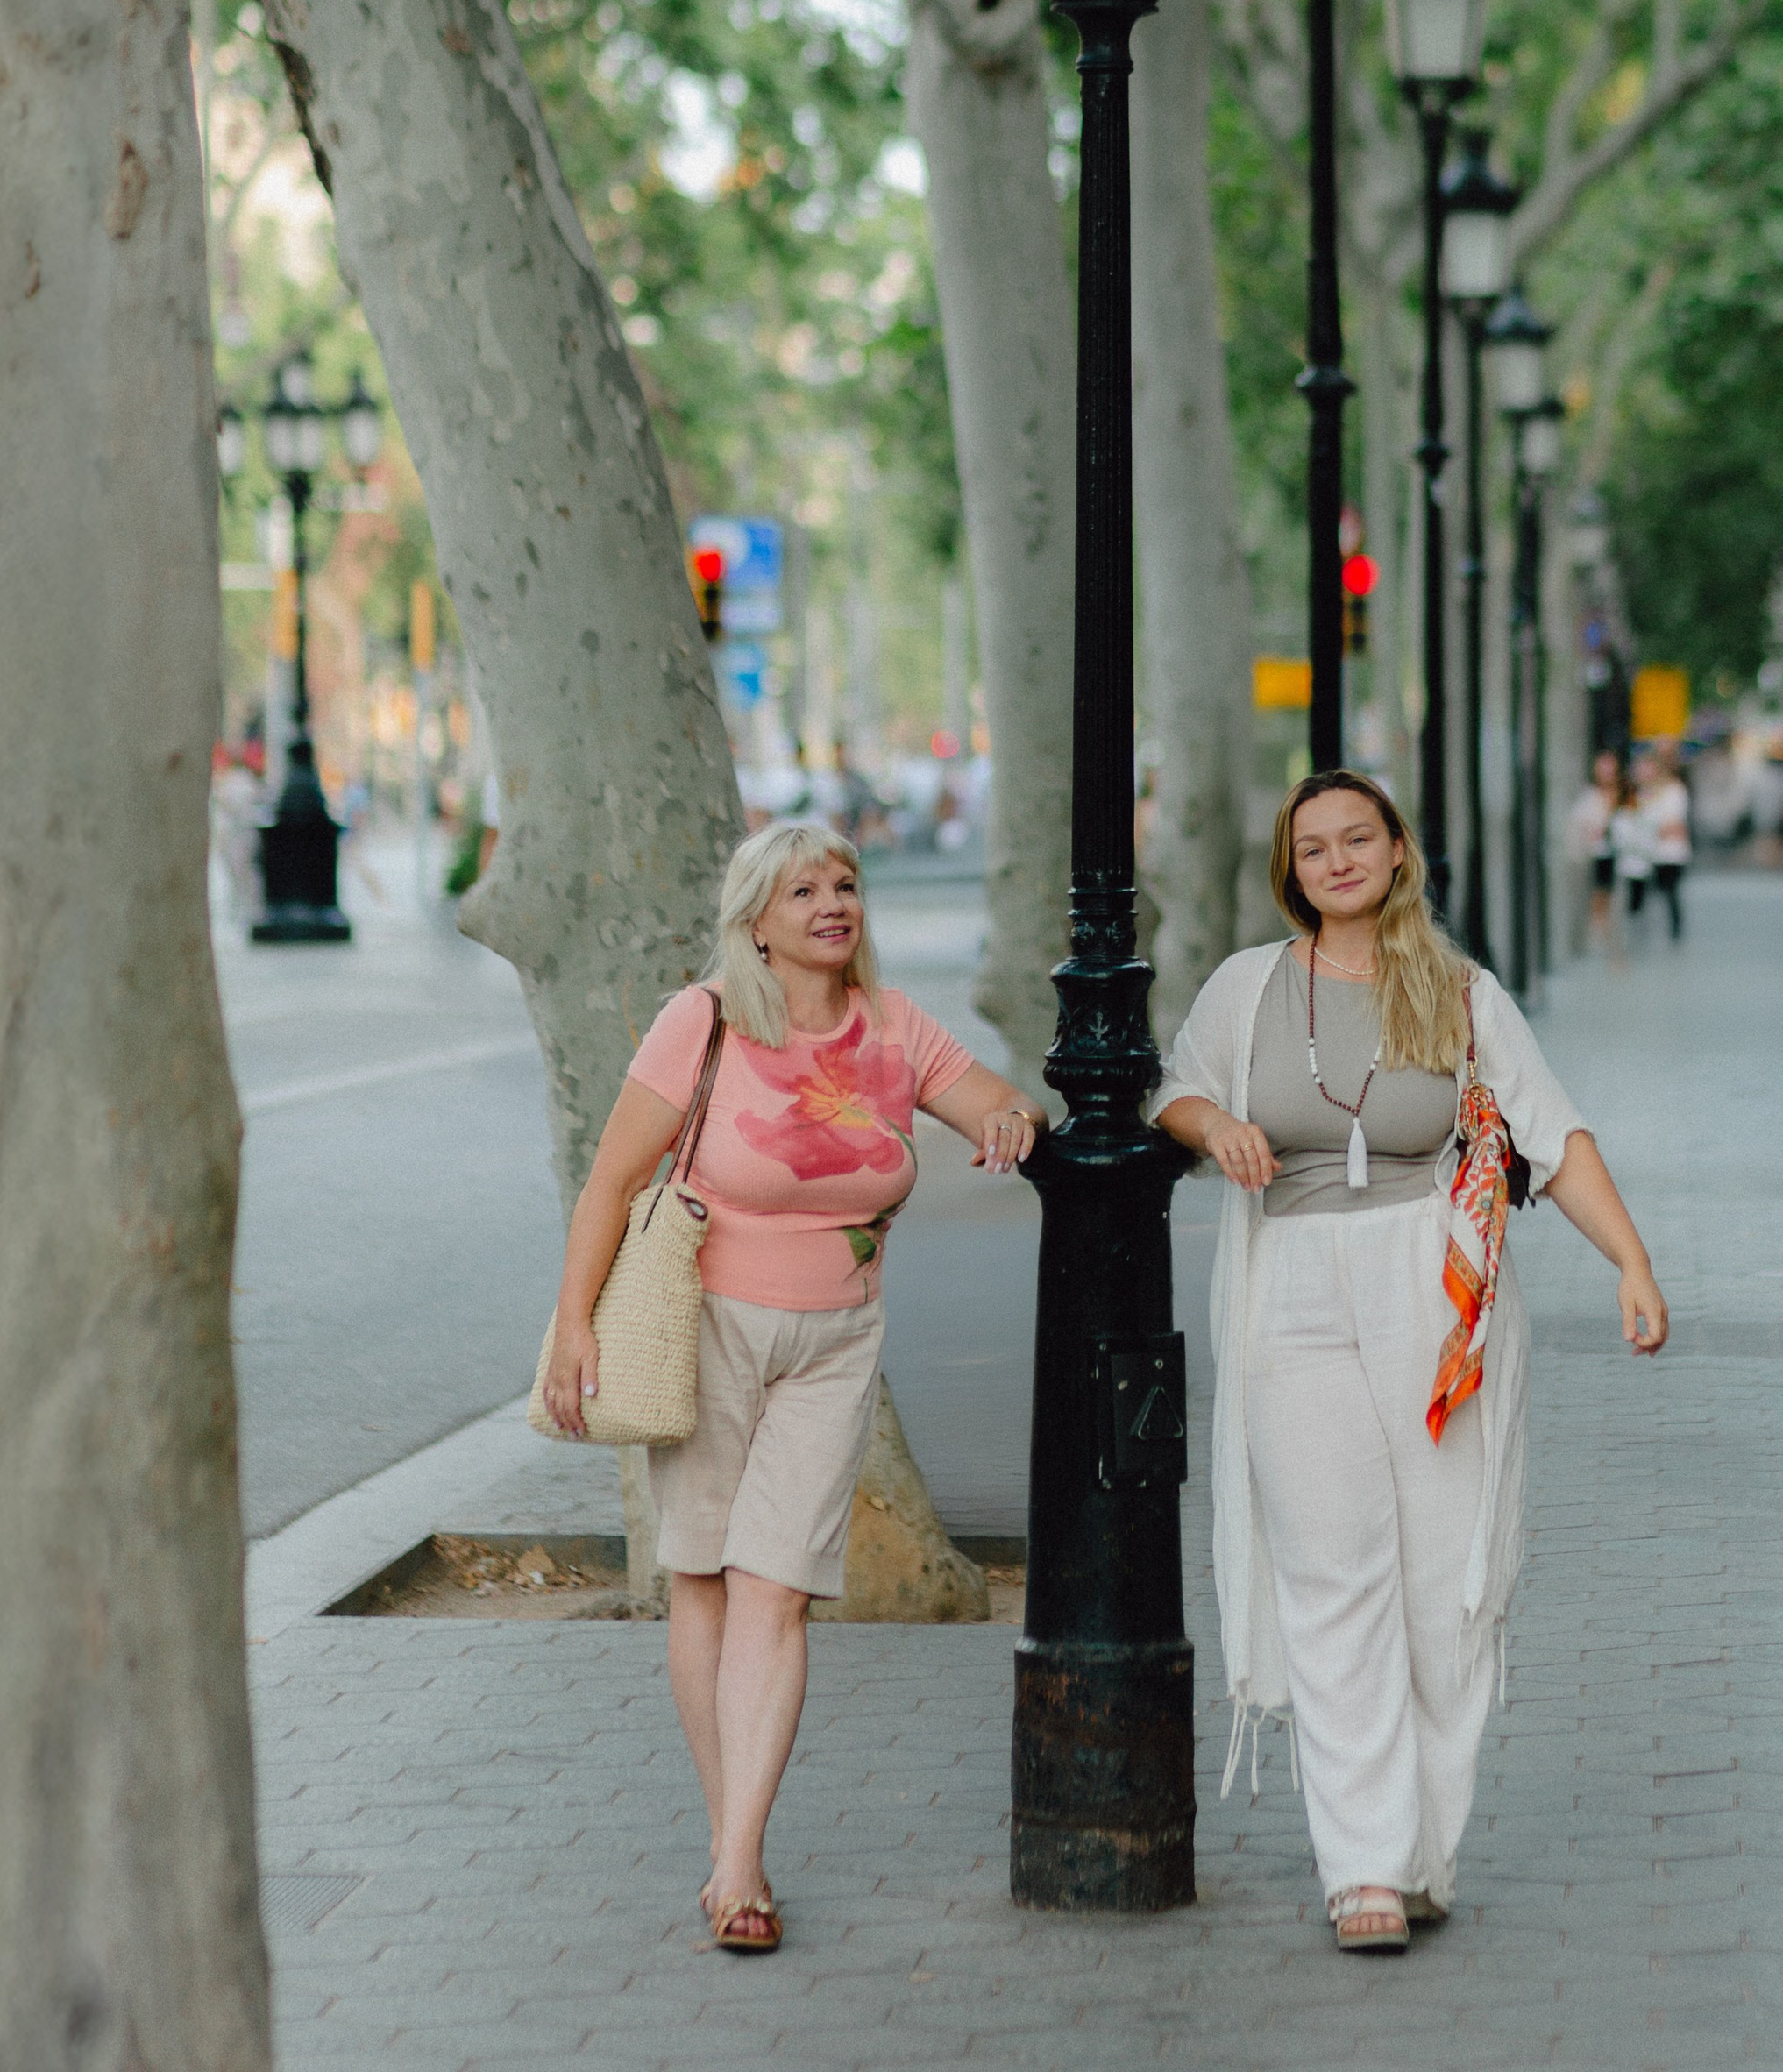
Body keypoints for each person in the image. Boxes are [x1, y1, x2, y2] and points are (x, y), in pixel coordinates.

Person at [1152, 770, 1669, 1954]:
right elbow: (1176, 1088)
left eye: (1358, 838)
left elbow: (1553, 1132)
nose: (1337, 860)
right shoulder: (1248, 986)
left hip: (1432, 1295)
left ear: (1397, 852)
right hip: (1289, 1287)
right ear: (1291, 869)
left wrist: (1632, 1265)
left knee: (1442, 1581)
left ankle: (1425, 1850)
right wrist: (1213, 1123)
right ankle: (1364, 1868)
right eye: (1313, 846)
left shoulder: (1461, 990)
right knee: (1331, 1569)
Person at [541, 822, 1042, 1954]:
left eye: (845, 884)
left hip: (838, 1341)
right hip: (708, 1325)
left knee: (776, 1589)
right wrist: (573, 1328)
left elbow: (1008, 1108)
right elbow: (610, 1182)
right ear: (756, 922)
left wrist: (1016, 1118)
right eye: (803, 889)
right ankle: (739, 1857)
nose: (832, 903)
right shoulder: (703, 1020)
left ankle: (736, 1858)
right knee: (703, 1577)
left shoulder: (895, 1027)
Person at [1564, 750, 1622, 958]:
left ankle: (1614, 948)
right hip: (1597, 857)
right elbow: (1578, 825)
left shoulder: (1623, 795)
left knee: (1614, 904)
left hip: (1621, 858)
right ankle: (1604, 947)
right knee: (1598, 903)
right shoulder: (1589, 797)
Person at [1639, 745, 1691, 942]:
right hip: (1648, 852)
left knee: (1670, 891)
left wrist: (1652, 831)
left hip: (1671, 853)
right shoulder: (1643, 792)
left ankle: (1674, 931)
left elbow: (1676, 824)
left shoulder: (1674, 790)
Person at [1610, 767, 1657, 947]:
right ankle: (1627, 933)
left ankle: (1639, 932)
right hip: (1626, 866)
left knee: (1641, 899)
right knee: (1628, 900)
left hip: (1643, 865)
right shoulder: (1620, 818)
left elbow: (1651, 837)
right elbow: (1621, 841)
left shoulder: (1645, 815)